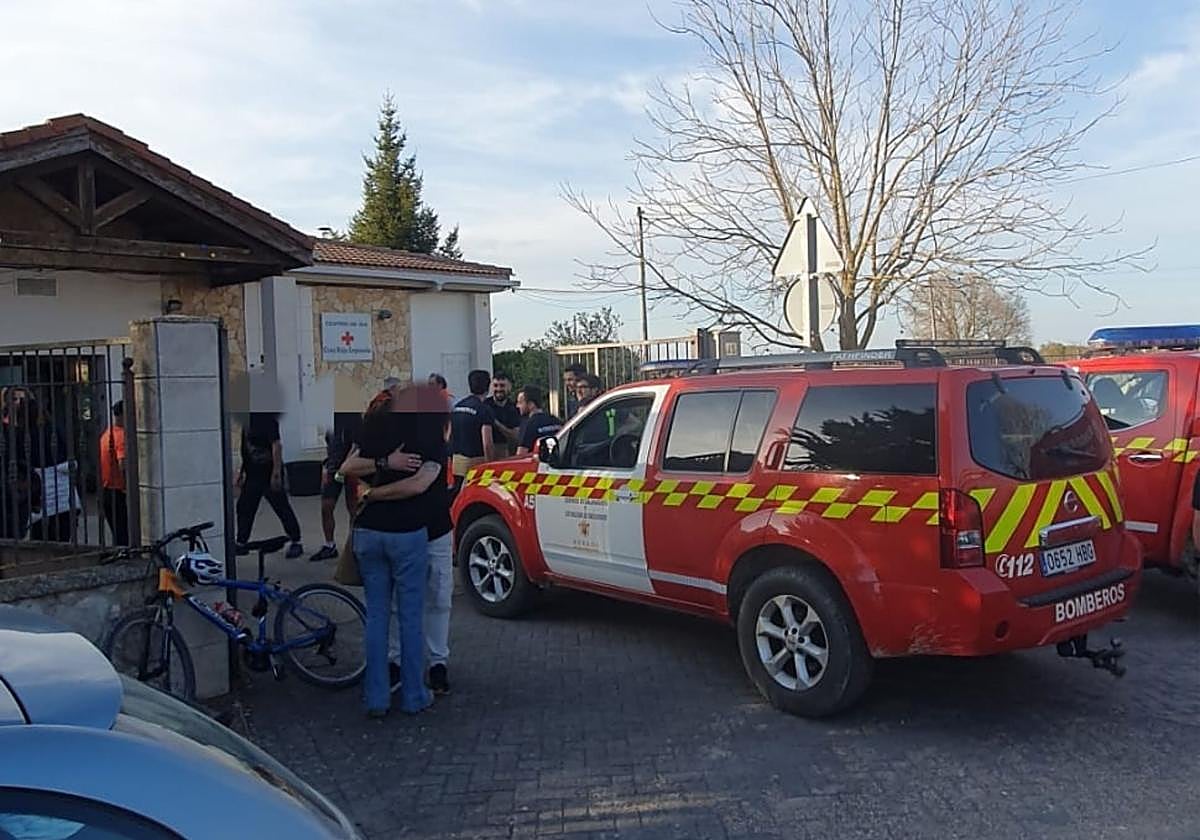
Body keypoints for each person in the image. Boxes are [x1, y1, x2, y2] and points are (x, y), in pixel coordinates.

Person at [340, 382, 444, 717]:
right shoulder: (428, 432)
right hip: (407, 533)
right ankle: (414, 696)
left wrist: (374, 487)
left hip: (369, 532)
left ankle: (376, 698)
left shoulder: (373, 425)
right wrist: (389, 468)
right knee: (411, 617)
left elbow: (346, 468)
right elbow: (417, 485)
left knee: (376, 617)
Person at [235, 412, 303, 558]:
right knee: (244, 507)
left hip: (268, 472)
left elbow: (276, 445)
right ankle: (241, 542)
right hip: (253, 473)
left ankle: (296, 541)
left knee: (281, 507)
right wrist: (241, 472)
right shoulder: (246, 421)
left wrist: (276, 473)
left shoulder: (266, 419)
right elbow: (245, 449)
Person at [308, 407, 364, 563]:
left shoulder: (353, 416)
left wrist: (346, 466)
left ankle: (353, 547)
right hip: (333, 468)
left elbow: (357, 445)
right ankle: (329, 545)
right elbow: (330, 445)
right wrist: (326, 467)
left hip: (351, 468)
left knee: (353, 509)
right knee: (326, 506)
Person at [450, 369, 495, 494]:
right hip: (475, 465)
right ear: (488, 387)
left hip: (456, 463)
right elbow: (487, 443)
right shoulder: (484, 410)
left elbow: (449, 435)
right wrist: (491, 466)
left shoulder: (457, 407)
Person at [98, 400, 129, 546]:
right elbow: (123, 463)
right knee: (124, 536)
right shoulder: (122, 436)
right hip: (117, 491)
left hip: (106, 490)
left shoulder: (107, 433)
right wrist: (127, 487)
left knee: (118, 534)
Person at [515, 385, 562, 457]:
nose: (517, 406)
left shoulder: (529, 425)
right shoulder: (555, 420)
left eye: (520, 402)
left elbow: (521, 455)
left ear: (531, 404)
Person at [486, 372, 521, 458]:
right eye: (495, 385)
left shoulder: (514, 408)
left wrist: (495, 423)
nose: (498, 389)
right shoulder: (485, 405)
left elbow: (515, 436)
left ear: (509, 387)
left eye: (502, 386)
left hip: (506, 451)